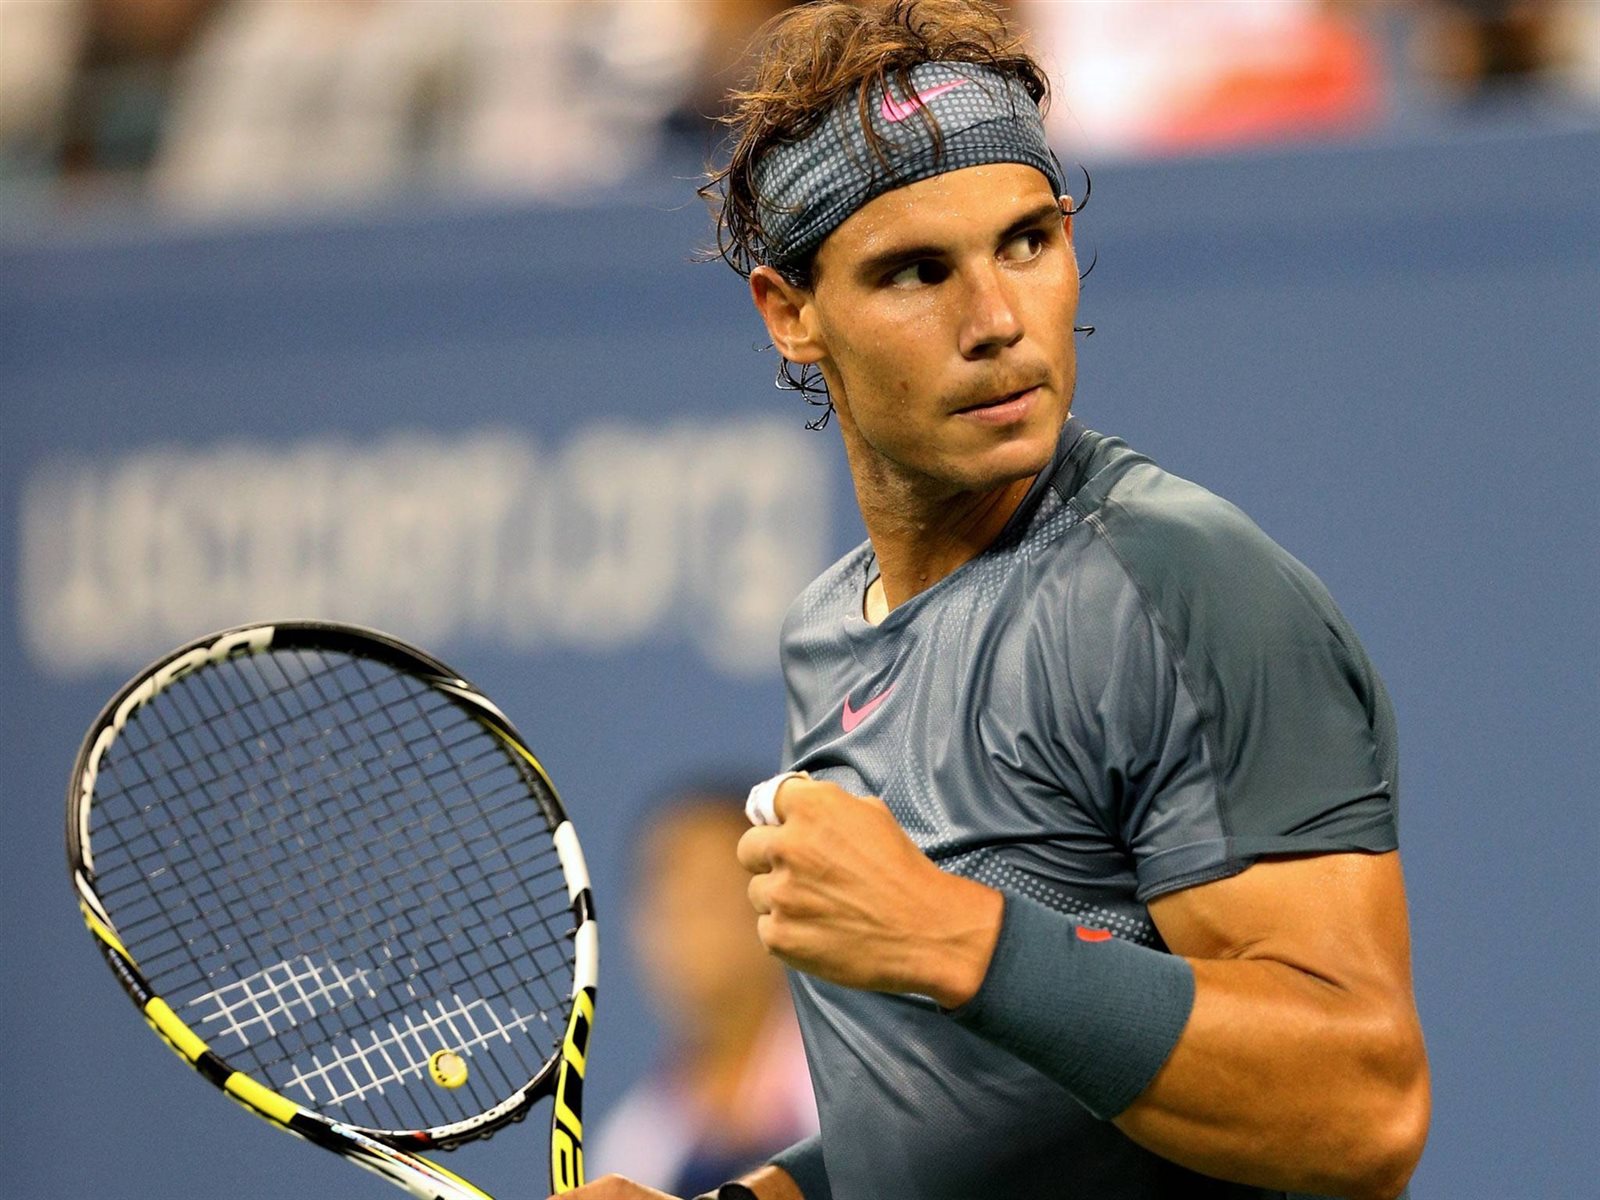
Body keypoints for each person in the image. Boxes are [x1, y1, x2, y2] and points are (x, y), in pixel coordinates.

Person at [561, 2, 1429, 1198]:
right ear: (790, 313)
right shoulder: (830, 632)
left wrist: (948, 934)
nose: (997, 323)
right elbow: (960, 1125)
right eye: (917, 271)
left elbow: (1362, 1110)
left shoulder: (1179, 587)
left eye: (1025, 243)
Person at [591, 788, 818, 1195]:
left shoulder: (855, 1090)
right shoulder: (629, 1149)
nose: (681, 927)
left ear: (778, 905)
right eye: (663, 902)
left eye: (710, 896)